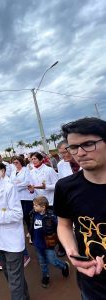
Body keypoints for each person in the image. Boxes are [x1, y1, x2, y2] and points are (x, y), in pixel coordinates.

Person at [53, 117, 106, 300]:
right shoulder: (65, 187)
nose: (80, 153)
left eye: (89, 144)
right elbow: (64, 225)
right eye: (74, 147)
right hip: (92, 284)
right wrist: (71, 251)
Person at [0, 161, 30, 300]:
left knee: (14, 280)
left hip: (12, 240)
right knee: (11, 276)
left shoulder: (9, 187)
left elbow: (18, 214)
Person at [29, 196, 70, 288]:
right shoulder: (33, 214)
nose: (34, 207)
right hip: (37, 243)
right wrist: (30, 234)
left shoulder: (51, 216)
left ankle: (64, 266)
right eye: (33, 205)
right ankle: (45, 276)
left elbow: (60, 226)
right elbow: (31, 225)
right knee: (42, 262)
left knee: (53, 260)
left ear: (43, 207)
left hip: (48, 244)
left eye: (35, 205)